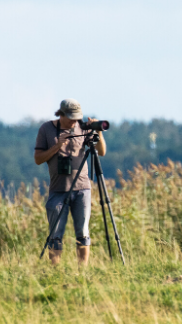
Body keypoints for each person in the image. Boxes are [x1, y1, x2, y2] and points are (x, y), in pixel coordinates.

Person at [34, 99, 106, 266]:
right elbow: (38, 159)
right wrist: (57, 146)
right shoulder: (47, 129)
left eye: (77, 117)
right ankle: (55, 272)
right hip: (58, 189)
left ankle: (82, 272)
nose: (74, 121)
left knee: (83, 232)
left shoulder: (82, 127)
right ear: (61, 114)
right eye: (71, 118)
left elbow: (101, 151)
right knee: (56, 234)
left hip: (82, 188)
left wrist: (98, 132)